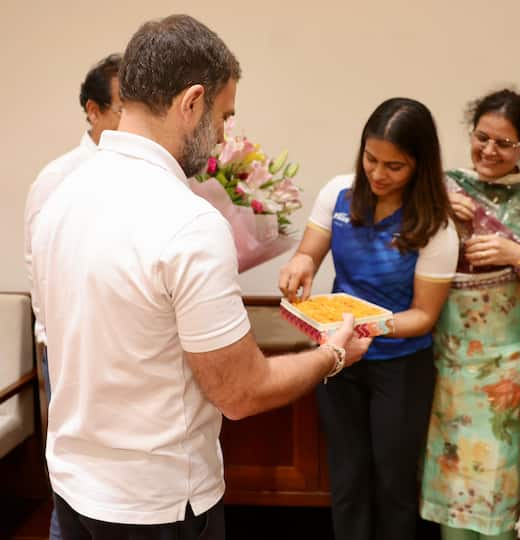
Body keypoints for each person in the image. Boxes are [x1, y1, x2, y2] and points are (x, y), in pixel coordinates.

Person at [31, 14, 370, 539]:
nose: (222, 136)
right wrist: (332, 355)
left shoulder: (59, 196)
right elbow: (240, 392)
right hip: (157, 499)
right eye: (224, 116)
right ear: (191, 103)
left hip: (74, 483)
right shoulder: (186, 220)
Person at [278, 97, 459, 540]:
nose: (378, 174)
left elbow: (423, 315)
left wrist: (370, 327)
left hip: (400, 365)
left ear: (420, 165)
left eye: (394, 166)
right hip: (339, 360)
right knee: (348, 479)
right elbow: (309, 253)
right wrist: (299, 265)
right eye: (371, 159)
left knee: (394, 485)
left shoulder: (436, 224)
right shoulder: (338, 193)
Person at [419, 90, 520, 540]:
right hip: (450, 363)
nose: (489, 151)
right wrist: (437, 209)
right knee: (454, 476)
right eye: (482, 137)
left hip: (509, 366)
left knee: (498, 481)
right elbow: (404, 248)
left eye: (505, 144)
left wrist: (518, 255)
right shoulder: (443, 186)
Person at [23, 52, 122, 540]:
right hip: (70, 348)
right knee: (77, 473)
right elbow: (40, 270)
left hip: (127, 349)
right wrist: (56, 342)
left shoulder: (149, 174)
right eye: (123, 108)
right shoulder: (58, 179)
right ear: (93, 110)